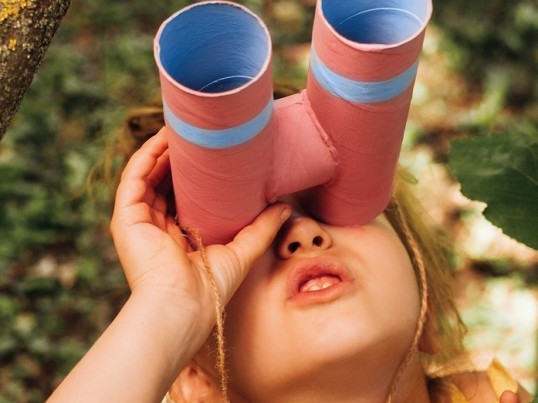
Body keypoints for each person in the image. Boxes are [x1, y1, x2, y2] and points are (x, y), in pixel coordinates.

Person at [47, 108, 533, 402]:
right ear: (192, 376)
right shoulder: (171, 325)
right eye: (241, 239)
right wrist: (168, 304)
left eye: (331, 202)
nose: (301, 232)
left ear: (424, 307)